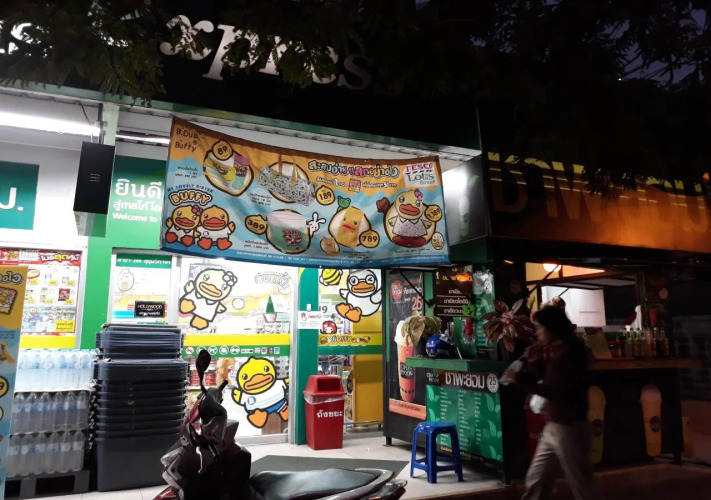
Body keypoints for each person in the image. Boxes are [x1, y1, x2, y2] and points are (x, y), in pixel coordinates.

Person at [502, 306, 602, 500]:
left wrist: (521, 380)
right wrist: (535, 363)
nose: (537, 333)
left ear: (552, 328)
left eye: (540, 328)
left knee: (582, 485)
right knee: (537, 479)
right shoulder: (558, 350)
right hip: (554, 426)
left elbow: (561, 392)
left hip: (570, 427)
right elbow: (551, 382)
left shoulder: (571, 352)